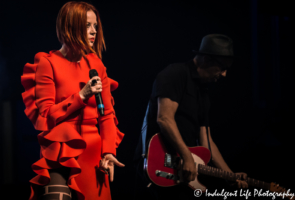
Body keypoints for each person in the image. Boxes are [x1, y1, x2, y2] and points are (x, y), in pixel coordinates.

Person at [21, 2, 124, 200]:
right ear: (70, 27)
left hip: (93, 153)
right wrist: (81, 96)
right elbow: (45, 116)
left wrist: (109, 152)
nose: (93, 31)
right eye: (87, 25)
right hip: (61, 153)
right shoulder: (48, 63)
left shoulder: (96, 65)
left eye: (95, 26)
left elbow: (107, 115)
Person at [134, 34, 248, 199]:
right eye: (222, 68)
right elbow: (164, 118)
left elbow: (206, 141)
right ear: (206, 60)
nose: (224, 74)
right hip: (157, 163)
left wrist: (229, 175)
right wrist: (187, 156)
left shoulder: (203, 94)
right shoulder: (175, 74)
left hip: (181, 170)